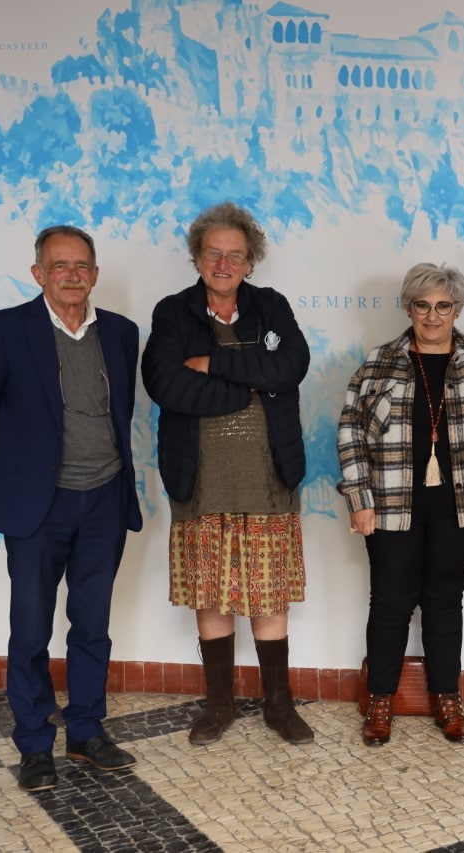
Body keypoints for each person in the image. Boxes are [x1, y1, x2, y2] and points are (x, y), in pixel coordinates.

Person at [0, 225, 143, 792]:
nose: (72, 275)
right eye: (59, 265)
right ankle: (35, 744)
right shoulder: (3, 330)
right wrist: (27, 463)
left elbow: (120, 412)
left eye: (82, 265)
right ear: (38, 273)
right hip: (37, 505)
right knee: (31, 628)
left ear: (95, 274)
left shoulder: (121, 333)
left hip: (105, 498)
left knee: (92, 625)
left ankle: (86, 731)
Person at [141, 202, 313, 747]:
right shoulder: (173, 313)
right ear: (197, 256)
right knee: (211, 597)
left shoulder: (271, 306)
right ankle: (218, 705)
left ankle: (279, 705)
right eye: (213, 253)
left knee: (269, 597)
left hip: (268, 478)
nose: (223, 263)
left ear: (250, 261)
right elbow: (166, 385)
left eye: (235, 255)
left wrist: (213, 363)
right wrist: (250, 387)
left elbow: (291, 368)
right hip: (200, 480)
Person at [338, 263, 464, 746]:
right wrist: (359, 498)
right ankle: (381, 700)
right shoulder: (378, 363)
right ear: (408, 308)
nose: (433, 316)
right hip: (390, 506)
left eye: (443, 306)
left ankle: (447, 699)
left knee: (443, 602)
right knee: (390, 602)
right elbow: (351, 432)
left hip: (461, 509)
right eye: (422, 305)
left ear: (457, 309)